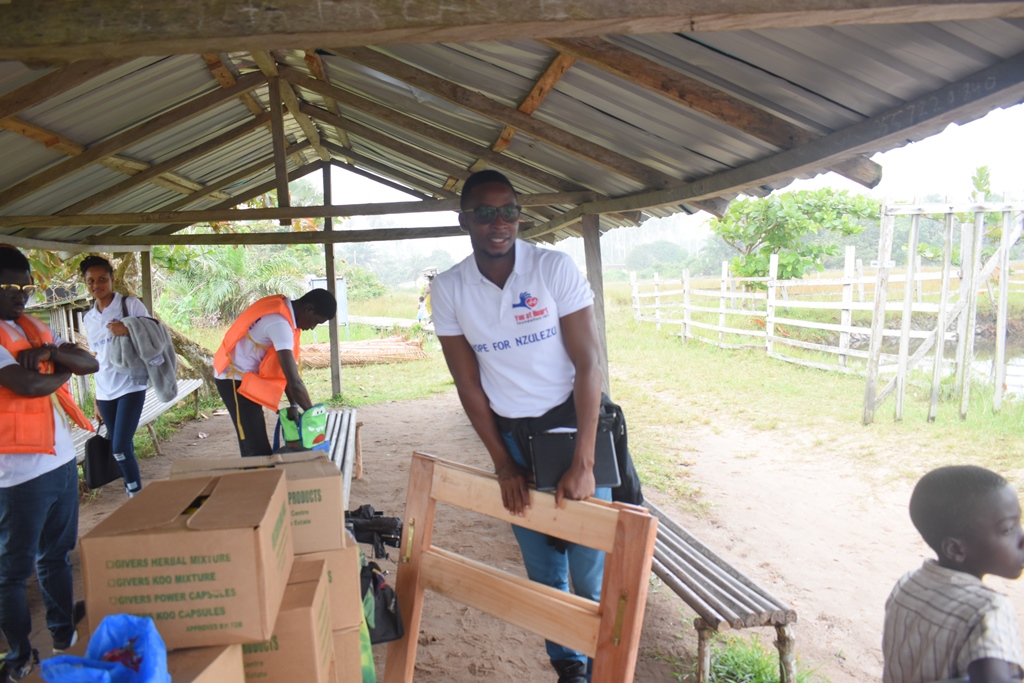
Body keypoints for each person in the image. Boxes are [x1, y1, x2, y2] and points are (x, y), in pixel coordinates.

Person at [431, 170, 605, 683]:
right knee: (544, 572)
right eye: (484, 213)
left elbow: (589, 365)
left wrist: (585, 462)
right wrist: (503, 463)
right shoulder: (450, 288)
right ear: (464, 220)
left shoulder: (552, 268)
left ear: (520, 214)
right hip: (515, 438)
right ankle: (569, 669)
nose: (498, 223)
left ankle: (599, 667)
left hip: (574, 429)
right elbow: (469, 386)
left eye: (508, 210)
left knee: (589, 562)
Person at [0, 246, 98, 681]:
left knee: (56, 556)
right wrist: (55, 364)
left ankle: (63, 637)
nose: (20, 295)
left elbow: (88, 361)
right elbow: (27, 386)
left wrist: (50, 357)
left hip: (57, 463)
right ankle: (19, 653)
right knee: (12, 572)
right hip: (18, 474)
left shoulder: (30, 326)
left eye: (25, 286)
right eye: (9, 287)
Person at [882, 465, 1024, 683]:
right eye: (1007, 529)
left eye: (1019, 523)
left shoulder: (907, 585)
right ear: (956, 549)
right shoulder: (988, 610)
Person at [213, 289, 336, 457]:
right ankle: (255, 481)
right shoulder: (279, 323)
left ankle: (262, 478)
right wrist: (312, 415)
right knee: (254, 446)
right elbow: (295, 381)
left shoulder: (284, 312)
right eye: (315, 321)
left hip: (246, 378)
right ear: (308, 309)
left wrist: (294, 405)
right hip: (232, 379)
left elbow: (285, 371)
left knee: (257, 443)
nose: (312, 327)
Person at [80, 255, 149, 496]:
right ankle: (135, 490)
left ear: (111, 279)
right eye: (90, 281)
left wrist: (128, 327)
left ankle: (135, 494)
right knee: (123, 445)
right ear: (85, 283)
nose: (96, 285)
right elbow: (98, 357)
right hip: (106, 391)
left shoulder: (130, 305)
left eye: (102, 279)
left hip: (131, 386)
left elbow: (154, 334)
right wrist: (97, 400)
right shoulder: (88, 318)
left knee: (119, 448)